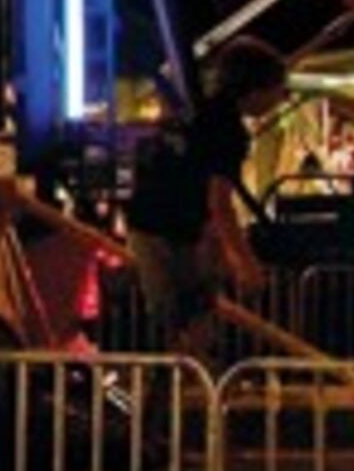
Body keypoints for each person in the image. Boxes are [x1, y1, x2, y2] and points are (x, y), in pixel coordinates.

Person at [119, 37, 292, 366]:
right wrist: (244, 259)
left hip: (147, 217)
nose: (279, 101)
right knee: (194, 308)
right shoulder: (229, 131)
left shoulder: (193, 109)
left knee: (169, 314)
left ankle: (178, 379)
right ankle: (192, 380)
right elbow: (219, 201)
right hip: (178, 226)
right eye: (277, 91)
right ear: (256, 89)